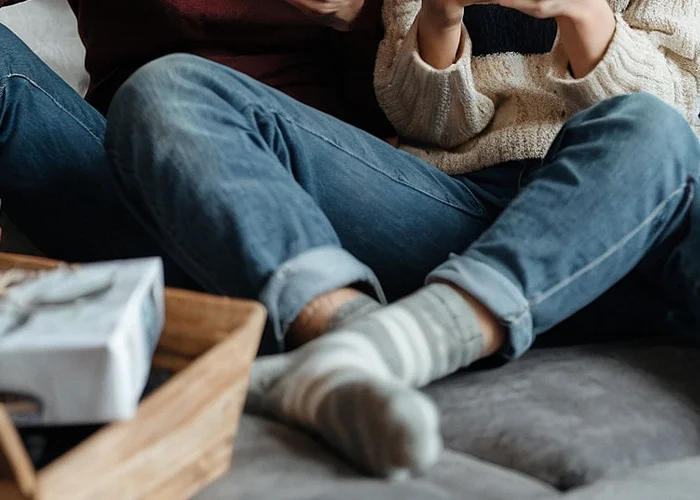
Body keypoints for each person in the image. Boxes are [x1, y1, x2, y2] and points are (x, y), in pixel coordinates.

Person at [101, 0, 700, 480]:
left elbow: (680, 122)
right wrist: (441, 15)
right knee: (169, 91)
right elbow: (425, 124)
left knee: (649, 128)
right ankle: (352, 343)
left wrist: (584, 14)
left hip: (616, 228)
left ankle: (381, 351)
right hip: (462, 212)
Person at [0, 0, 390, 285]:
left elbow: (423, 113)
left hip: (299, 185)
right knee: (159, 93)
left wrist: (363, 14)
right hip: (133, 189)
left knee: (167, 90)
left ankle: (332, 324)